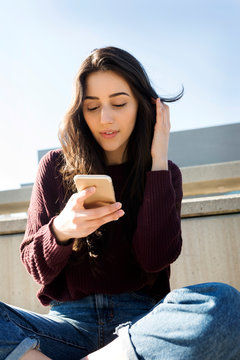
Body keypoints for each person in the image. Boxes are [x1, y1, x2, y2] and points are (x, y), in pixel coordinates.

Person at [0, 47, 240, 360]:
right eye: (92, 107)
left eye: (119, 103)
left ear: (142, 105)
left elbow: (155, 259)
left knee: (223, 303)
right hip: (67, 328)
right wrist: (62, 229)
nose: (106, 118)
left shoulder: (166, 174)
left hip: (143, 328)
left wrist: (158, 162)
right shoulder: (54, 166)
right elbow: (36, 268)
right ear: (79, 111)